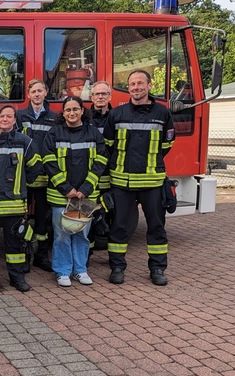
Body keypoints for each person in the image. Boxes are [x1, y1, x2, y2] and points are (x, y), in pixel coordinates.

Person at [104, 69, 174, 286]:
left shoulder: (163, 113)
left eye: (140, 83)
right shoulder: (116, 114)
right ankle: (117, 267)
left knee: (156, 227)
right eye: (132, 84)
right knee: (119, 227)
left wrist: (149, 164)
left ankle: (157, 269)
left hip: (152, 182)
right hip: (122, 182)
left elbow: (167, 145)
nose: (136, 87)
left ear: (149, 86)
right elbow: (108, 145)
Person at [42, 96, 107, 287]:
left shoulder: (94, 133)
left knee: (82, 234)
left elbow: (101, 161)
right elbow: (49, 162)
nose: (72, 113)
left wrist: (85, 189)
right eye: (68, 110)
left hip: (84, 196)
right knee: (62, 234)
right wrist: (66, 189)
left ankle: (80, 270)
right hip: (61, 196)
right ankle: (62, 271)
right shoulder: (54, 133)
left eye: (75, 109)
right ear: (63, 113)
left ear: (82, 111)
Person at [0, 105, 41, 292]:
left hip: (14, 206)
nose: (5, 119)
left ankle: (17, 278)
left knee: (15, 246)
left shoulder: (25, 141)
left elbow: (36, 166)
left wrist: (23, 183)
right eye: (2, 116)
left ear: (15, 120)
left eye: (9, 116)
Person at [16, 78, 58, 272]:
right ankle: (23, 254)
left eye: (40, 91)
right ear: (29, 94)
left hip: (44, 176)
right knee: (22, 217)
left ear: (45, 93)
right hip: (22, 175)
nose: (37, 94)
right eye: (33, 91)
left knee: (42, 218)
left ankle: (41, 256)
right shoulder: (19, 115)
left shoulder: (54, 117)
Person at [87, 81, 113, 251]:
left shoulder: (117, 117)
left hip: (111, 175)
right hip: (90, 175)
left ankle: (112, 256)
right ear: (91, 97)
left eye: (104, 94)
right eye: (97, 94)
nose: (101, 97)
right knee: (89, 215)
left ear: (109, 96)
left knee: (112, 215)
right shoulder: (85, 118)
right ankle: (87, 255)